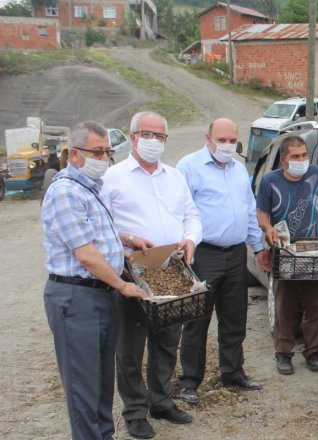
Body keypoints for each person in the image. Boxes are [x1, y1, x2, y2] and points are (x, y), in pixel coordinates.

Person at [42, 121, 150, 440]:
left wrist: (127, 241)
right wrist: (122, 285)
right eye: (97, 152)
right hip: (77, 299)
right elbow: (86, 255)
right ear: (74, 155)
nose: (104, 158)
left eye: (107, 152)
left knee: (102, 382)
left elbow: (97, 234)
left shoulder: (91, 188)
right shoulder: (64, 191)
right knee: (84, 387)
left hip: (99, 296)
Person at [102, 111, 202, 439]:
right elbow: (102, 225)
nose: (154, 141)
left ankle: (161, 400)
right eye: (148, 134)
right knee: (130, 348)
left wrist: (191, 238)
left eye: (160, 136)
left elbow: (191, 214)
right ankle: (134, 410)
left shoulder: (174, 177)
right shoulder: (113, 177)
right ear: (133, 138)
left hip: (172, 270)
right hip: (133, 273)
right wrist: (127, 239)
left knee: (167, 341)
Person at [176, 118, 266, 404]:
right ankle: (190, 380)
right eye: (222, 140)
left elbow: (249, 211)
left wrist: (258, 246)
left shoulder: (239, 170)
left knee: (234, 318)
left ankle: (232, 371)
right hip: (204, 254)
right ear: (208, 138)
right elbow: (178, 211)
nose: (228, 145)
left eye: (232, 140)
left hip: (236, 254)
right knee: (196, 320)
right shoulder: (188, 167)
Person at [256, 135, 318, 375]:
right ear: (284, 159)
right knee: (284, 306)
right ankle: (283, 353)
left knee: (315, 305)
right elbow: (262, 213)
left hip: (314, 249)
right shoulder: (269, 181)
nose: (301, 160)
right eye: (296, 156)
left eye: (304, 155)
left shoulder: (317, 174)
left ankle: (313, 351)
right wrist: (268, 229)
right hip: (284, 249)